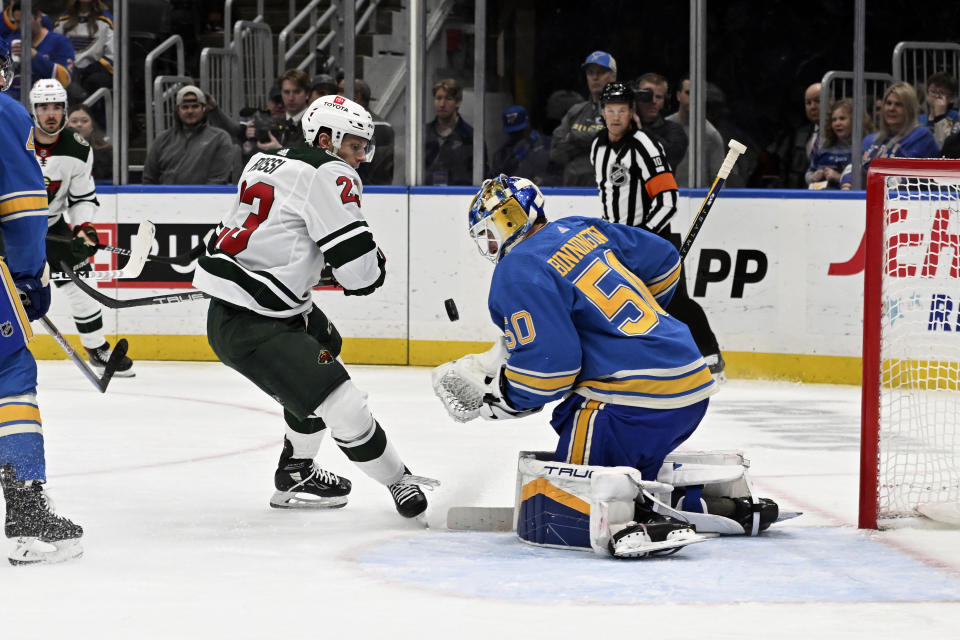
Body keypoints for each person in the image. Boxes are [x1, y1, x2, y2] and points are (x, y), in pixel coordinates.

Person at [438, 175, 737, 555]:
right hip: (690, 384)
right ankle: (708, 504)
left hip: (629, 405)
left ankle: (634, 519)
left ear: (510, 219)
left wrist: (504, 396)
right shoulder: (580, 228)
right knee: (621, 472)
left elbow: (551, 371)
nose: (491, 241)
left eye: (490, 229)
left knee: (561, 509)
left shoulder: (517, 269)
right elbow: (664, 259)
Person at [192, 95, 438, 518]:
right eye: (355, 146)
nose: (360, 157)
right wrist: (368, 267)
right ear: (326, 138)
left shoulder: (264, 161)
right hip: (257, 326)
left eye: (364, 148)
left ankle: (296, 469)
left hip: (265, 309)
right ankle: (399, 479)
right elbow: (359, 275)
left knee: (326, 343)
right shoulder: (329, 171)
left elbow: (251, 233)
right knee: (341, 402)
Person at [0, 39, 83, 565]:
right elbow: (26, 207)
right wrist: (29, 277)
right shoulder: (6, 114)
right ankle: (28, 512)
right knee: (11, 373)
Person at [589, 82, 725, 378]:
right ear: (602, 112)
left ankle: (710, 354)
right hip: (617, 243)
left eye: (621, 110)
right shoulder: (598, 146)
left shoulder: (644, 145)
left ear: (631, 112)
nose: (615, 117)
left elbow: (667, 200)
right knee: (624, 306)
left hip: (653, 240)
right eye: (610, 110)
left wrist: (643, 236)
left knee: (675, 302)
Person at [31, 79, 135, 375]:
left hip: (52, 227)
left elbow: (81, 197)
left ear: (64, 110)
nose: (50, 113)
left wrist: (82, 228)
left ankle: (97, 348)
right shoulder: (14, 140)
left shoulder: (77, 148)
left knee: (83, 284)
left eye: (56, 107)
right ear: (33, 110)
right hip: (11, 230)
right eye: (43, 107)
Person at [840, 82, 940, 189]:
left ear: (909, 110)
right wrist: (847, 186)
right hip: (864, 199)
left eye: (899, 104)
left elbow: (905, 176)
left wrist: (867, 177)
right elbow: (851, 169)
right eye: (888, 103)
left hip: (904, 201)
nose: (891, 108)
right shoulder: (870, 140)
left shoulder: (921, 136)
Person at [142, 84, 240, 185]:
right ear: (177, 110)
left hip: (206, 199)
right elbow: (148, 179)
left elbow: (217, 181)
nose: (190, 111)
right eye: (185, 107)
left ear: (204, 108)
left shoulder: (219, 138)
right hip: (164, 199)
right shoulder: (162, 139)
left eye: (195, 106)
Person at [550, 50, 616, 186]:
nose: (595, 77)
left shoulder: (623, 109)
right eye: (590, 73)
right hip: (574, 192)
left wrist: (573, 137)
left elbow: (614, 139)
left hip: (611, 191)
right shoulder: (576, 111)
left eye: (601, 72)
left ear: (613, 77)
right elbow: (555, 153)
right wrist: (592, 140)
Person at [3, 4, 75, 100]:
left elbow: (65, 79)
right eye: (18, 22)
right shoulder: (9, 43)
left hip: (44, 100)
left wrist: (35, 57)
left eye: (26, 20)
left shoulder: (60, 42)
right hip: (12, 101)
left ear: (39, 17)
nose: (22, 26)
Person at [666, 75, 725, 188]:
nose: (693, 98)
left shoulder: (711, 135)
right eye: (688, 93)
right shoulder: (664, 128)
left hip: (699, 202)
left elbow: (718, 184)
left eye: (698, 94)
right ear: (678, 95)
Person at [424, 77, 485, 185]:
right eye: (438, 98)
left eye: (448, 99)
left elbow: (483, 177)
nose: (442, 104)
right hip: (426, 197)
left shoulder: (471, 138)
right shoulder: (423, 135)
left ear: (458, 102)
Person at [805, 98, 872, 190]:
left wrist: (839, 177)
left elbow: (870, 181)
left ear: (856, 120)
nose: (837, 123)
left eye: (842, 118)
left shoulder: (867, 149)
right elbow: (808, 174)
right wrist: (813, 177)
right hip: (821, 199)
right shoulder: (825, 148)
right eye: (834, 120)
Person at [54, 0, 113, 102]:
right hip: (69, 70)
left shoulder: (107, 20)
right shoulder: (62, 20)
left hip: (96, 71)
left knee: (95, 81)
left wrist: (92, 68)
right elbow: (55, 50)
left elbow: (113, 55)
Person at [339, 77, 394, 185]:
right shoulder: (385, 126)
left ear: (357, 96)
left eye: (341, 91)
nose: (337, 95)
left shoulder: (377, 128)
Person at [634, 72, 687, 172]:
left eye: (658, 97)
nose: (653, 101)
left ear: (665, 102)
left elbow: (668, 158)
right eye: (647, 95)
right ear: (637, 98)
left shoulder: (674, 131)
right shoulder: (622, 128)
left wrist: (640, 130)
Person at [490, 105, 556, 186]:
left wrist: (544, 181)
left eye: (519, 131)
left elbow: (562, 177)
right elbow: (493, 182)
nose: (516, 136)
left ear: (527, 125)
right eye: (512, 133)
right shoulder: (501, 155)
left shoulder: (548, 146)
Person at [774, 82, 822, 189]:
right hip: (798, 197)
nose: (812, 107)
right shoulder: (798, 134)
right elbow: (785, 169)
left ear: (831, 101)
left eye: (818, 101)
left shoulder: (842, 135)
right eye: (808, 103)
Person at [257, 68, 310, 151]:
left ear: (307, 94)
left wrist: (279, 150)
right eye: (286, 92)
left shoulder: (316, 124)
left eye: (296, 92)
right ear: (281, 93)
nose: (291, 98)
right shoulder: (274, 124)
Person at [67, 103, 111, 181]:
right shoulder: (56, 150)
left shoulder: (106, 152)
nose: (79, 124)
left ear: (92, 126)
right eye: (74, 121)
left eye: (84, 121)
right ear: (66, 126)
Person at [918, 71, 959, 148]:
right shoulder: (920, 119)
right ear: (927, 94)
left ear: (951, 98)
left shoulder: (955, 117)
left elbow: (946, 146)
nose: (936, 96)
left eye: (942, 93)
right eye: (933, 91)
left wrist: (940, 115)